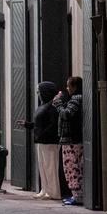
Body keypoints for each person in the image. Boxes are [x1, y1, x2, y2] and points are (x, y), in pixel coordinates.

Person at [21, 81, 61, 200]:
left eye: (39, 91)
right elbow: (39, 124)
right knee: (43, 167)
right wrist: (28, 125)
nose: (38, 93)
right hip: (41, 140)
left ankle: (54, 192)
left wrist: (43, 133)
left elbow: (53, 125)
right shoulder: (43, 105)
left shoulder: (52, 106)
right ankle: (45, 189)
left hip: (50, 141)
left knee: (51, 167)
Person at [54, 76, 84, 206]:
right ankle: (77, 195)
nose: (67, 88)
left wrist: (58, 103)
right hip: (74, 139)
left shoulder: (76, 99)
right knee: (76, 168)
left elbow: (66, 114)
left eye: (68, 86)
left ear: (75, 86)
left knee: (72, 168)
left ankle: (77, 196)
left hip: (71, 140)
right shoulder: (78, 98)